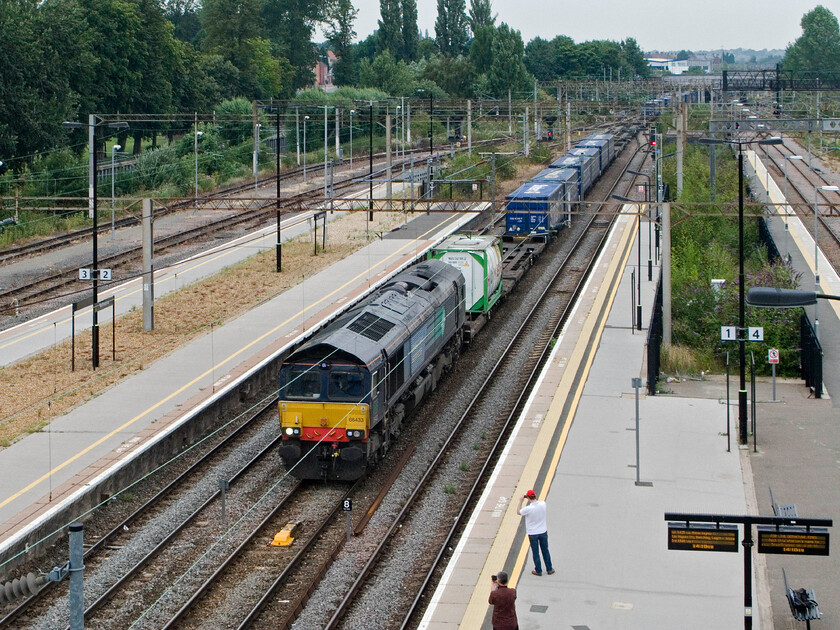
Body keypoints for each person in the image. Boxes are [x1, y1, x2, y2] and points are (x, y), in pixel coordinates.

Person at [517, 489, 554, 576]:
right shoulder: (543, 504)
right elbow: (538, 502)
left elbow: (518, 512)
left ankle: (538, 570)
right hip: (543, 531)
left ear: (528, 498)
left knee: (535, 551)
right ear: (535, 496)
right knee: (545, 550)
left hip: (533, 533)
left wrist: (520, 501)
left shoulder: (528, 509)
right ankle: (549, 568)